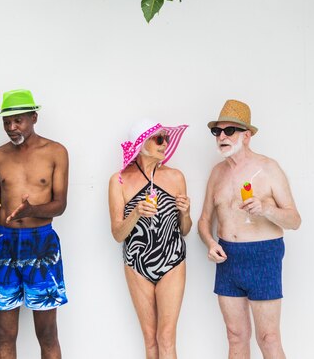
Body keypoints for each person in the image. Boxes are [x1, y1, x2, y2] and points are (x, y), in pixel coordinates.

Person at [197, 100, 301, 359]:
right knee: (235, 336)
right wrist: (210, 242)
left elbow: (294, 220)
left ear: (247, 136)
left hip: (263, 255)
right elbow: (203, 220)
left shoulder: (268, 169)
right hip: (228, 258)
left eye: (229, 131)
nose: (221, 136)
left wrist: (267, 209)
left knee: (268, 338)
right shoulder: (217, 174)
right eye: (217, 132)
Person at [0, 89, 69, 359]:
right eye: (7, 122)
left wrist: (32, 210)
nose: (11, 127)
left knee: (48, 333)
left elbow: (61, 204)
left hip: (42, 242)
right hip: (4, 244)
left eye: (18, 120)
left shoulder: (56, 152)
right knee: (3, 334)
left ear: (34, 117)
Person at [108, 119, 192, 359]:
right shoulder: (119, 180)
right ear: (141, 144)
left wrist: (185, 213)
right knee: (150, 338)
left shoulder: (176, 177)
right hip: (136, 263)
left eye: (166, 138)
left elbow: (185, 230)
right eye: (159, 139)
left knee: (166, 337)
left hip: (173, 260)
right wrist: (135, 213)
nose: (164, 143)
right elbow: (117, 234)